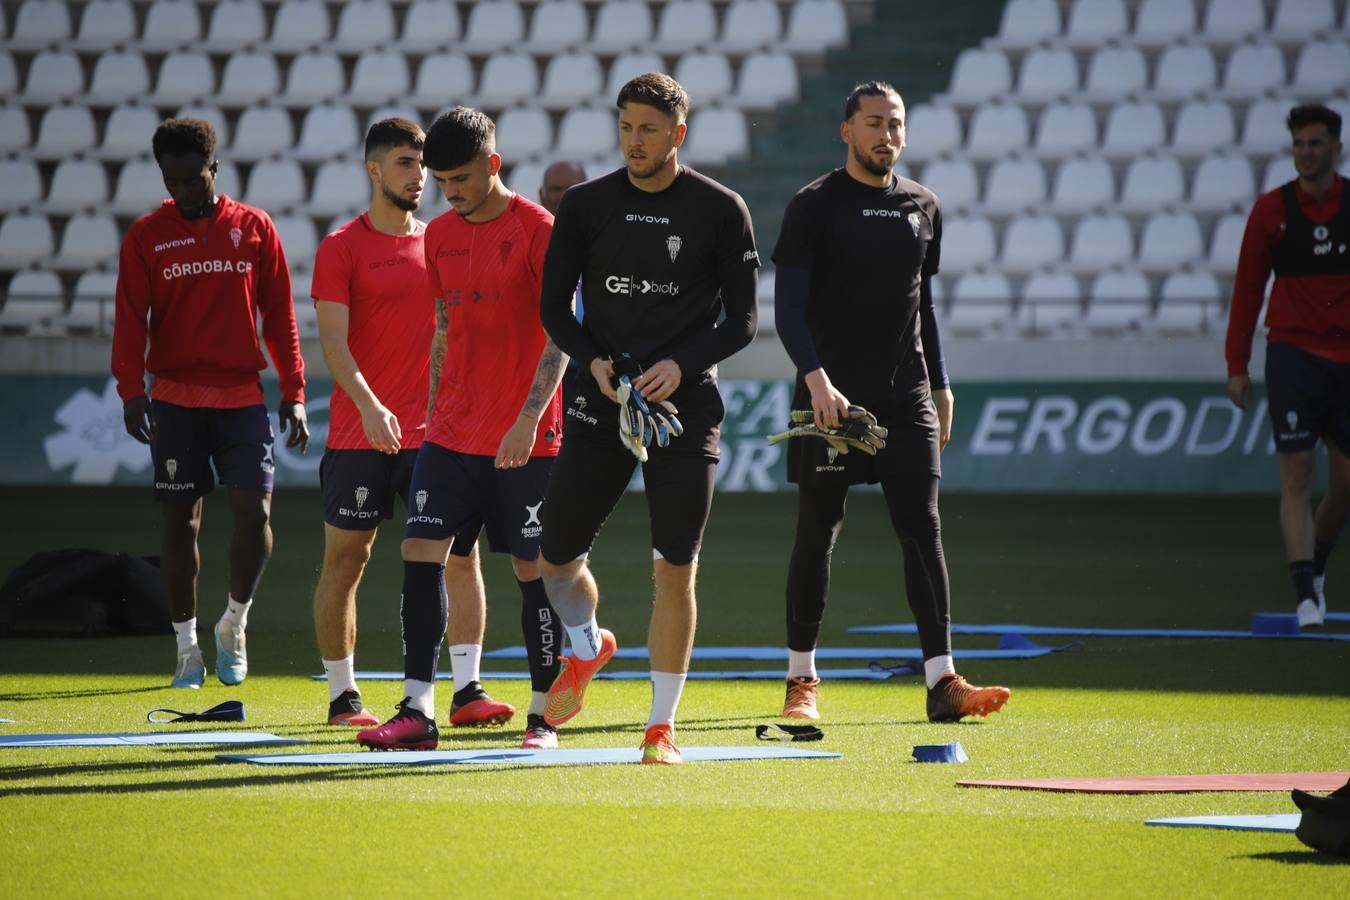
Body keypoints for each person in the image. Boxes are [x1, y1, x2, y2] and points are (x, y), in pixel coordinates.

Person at [535, 73, 760, 764]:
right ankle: (588, 645)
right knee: (555, 557)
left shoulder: (721, 209)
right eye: (627, 126)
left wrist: (682, 366)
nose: (635, 140)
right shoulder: (586, 205)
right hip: (601, 393)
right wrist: (595, 362)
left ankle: (661, 727)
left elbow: (744, 321)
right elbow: (552, 309)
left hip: (684, 405)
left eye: (650, 129)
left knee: (674, 566)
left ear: (678, 135)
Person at [770, 81, 1009, 724]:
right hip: (830, 400)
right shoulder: (812, 207)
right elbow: (787, 311)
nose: (887, 135)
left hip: (907, 398)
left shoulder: (923, 205)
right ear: (846, 130)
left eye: (896, 124)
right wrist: (817, 381)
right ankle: (801, 679)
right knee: (818, 531)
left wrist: (941, 383)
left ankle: (942, 681)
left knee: (922, 529)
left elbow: (922, 305)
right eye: (873, 123)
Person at [357, 107, 566, 751]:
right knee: (420, 552)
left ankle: (542, 716)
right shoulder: (438, 236)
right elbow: (445, 329)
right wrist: (429, 416)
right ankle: (417, 710)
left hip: (521, 437)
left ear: (494, 165)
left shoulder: (539, 230)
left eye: (463, 179)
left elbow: (562, 335)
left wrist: (528, 418)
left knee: (533, 569)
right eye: (441, 180)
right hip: (447, 433)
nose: (451, 191)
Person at [111, 117, 308, 688]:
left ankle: (234, 623)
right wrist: (130, 391)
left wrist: (294, 390)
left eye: (194, 179)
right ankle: (186, 647)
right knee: (180, 526)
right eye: (173, 182)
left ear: (213, 170)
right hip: (173, 399)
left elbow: (280, 316)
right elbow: (129, 321)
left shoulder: (253, 228)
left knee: (257, 514)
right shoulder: (146, 236)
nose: (184, 192)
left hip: (240, 397)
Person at [310, 117, 440, 726]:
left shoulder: (438, 242)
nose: (418, 176)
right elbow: (333, 343)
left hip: (432, 437)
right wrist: (369, 405)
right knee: (347, 560)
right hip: (357, 433)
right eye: (405, 164)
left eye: (421, 165)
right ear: (374, 170)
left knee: (448, 559)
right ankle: (343, 696)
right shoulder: (341, 247)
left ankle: (453, 691)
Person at [1225, 103, 1349, 629]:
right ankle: (1305, 598)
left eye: (1316, 143)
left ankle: (1315, 568)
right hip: (1292, 355)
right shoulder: (1271, 211)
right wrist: (1238, 363)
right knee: (1296, 476)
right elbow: (1248, 290)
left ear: (1336, 148)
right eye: (1300, 144)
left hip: (1347, 359)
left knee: (1345, 483)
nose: (1306, 152)